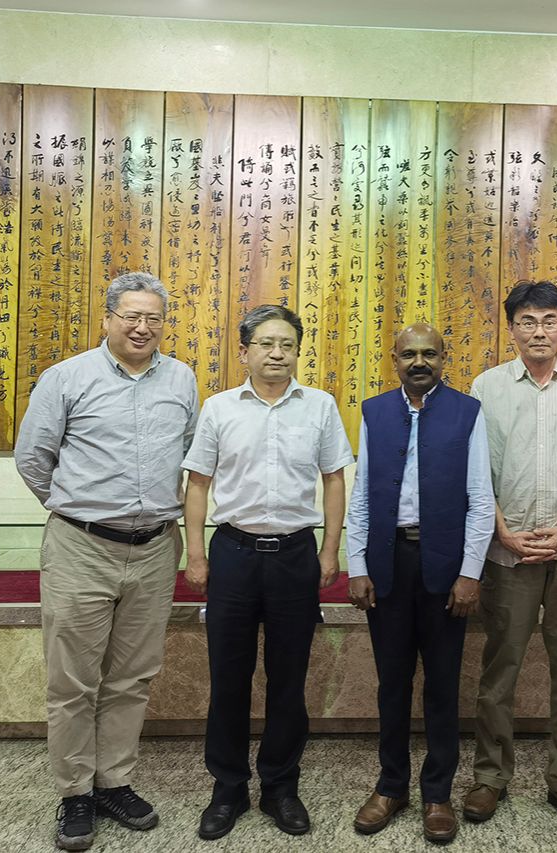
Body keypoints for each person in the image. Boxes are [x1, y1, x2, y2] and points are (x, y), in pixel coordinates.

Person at [14, 272, 198, 852]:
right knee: (72, 680)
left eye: (153, 318)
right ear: (108, 319)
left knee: (132, 676)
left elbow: (188, 455)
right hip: (81, 547)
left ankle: (114, 781)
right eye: (131, 316)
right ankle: (74, 793)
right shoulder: (67, 377)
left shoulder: (182, 379)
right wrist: (79, 511)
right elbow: (32, 458)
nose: (142, 328)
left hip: (155, 548)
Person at [181, 304, 353, 841]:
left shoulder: (320, 406)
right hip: (233, 553)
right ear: (245, 352)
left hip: (296, 556)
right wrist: (195, 554)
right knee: (228, 679)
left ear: (297, 352)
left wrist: (331, 550)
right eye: (266, 344)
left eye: (287, 345)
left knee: (289, 679)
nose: (277, 354)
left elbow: (333, 479)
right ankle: (228, 788)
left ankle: (280, 786)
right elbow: (198, 484)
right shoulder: (219, 408)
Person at [461, 280, 557, 834]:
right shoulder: (486, 388)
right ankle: (490, 776)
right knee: (499, 670)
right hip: (509, 556)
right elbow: (475, 475)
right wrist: (502, 532)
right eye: (527, 321)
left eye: (549, 320)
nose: (539, 331)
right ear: (511, 329)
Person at [345, 323, 495, 844]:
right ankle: (391, 786)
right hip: (388, 563)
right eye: (409, 354)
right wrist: (357, 564)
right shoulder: (374, 412)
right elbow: (362, 496)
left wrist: (470, 572)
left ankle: (437, 793)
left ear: (443, 359)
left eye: (429, 353)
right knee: (392, 683)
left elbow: (481, 499)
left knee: (442, 685)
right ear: (394, 360)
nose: (419, 362)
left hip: (444, 567)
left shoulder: (467, 412)